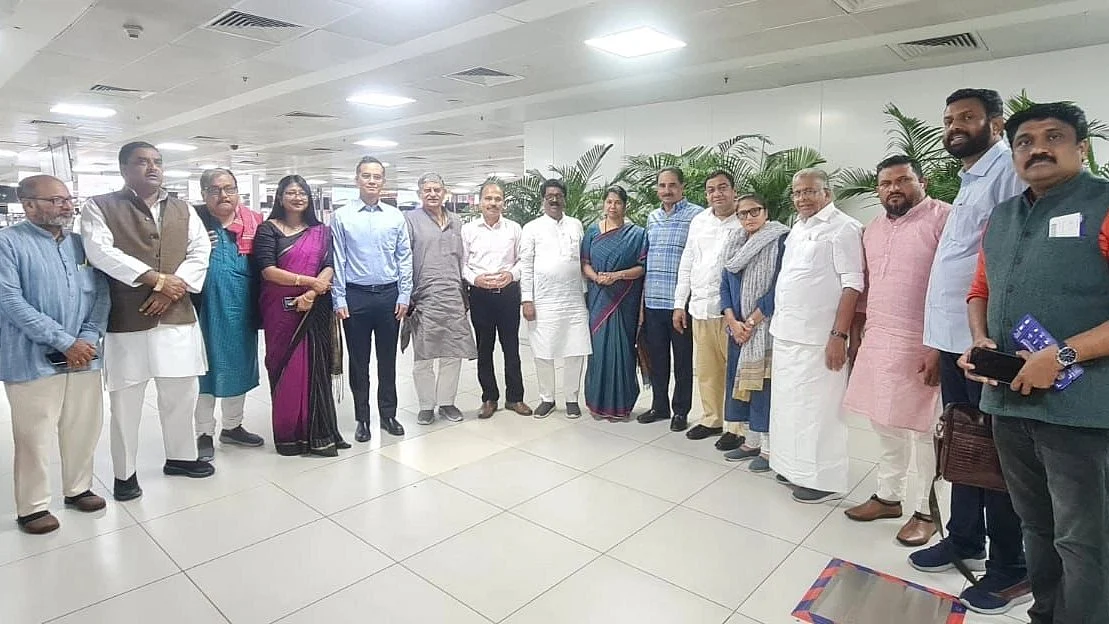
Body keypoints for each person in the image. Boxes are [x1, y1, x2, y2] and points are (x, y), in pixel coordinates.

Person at [963, 102, 1109, 623]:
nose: (1038, 148)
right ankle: (1045, 615)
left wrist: (1063, 354)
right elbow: (980, 289)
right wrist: (979, 339)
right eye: (1025, 141)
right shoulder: (1003, 216)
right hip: (1009, 403)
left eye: (1054, 137)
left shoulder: (1102, 203)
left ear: (1082, 147)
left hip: (1082, 409)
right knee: (1036, 527)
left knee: (1085, 539)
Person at [910, 88, 1029, 615]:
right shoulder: (972, 175)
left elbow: (1007, 255)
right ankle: (964, 539)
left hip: (986, 341)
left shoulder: (1006, 169)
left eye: (968, 117)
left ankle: (1011, 568)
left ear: (995, 124)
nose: (956, 126)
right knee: (964, 444)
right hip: (955, 337)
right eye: (950, 118)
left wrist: (992, 339)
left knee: (999, 457)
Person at [81, 142, 214, 502]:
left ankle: (181, 457)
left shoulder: (184, 209)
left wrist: (171, 289)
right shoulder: (100, 207)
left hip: (177, 317)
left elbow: (201, 251)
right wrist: (155, 279)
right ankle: (125, 474)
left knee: (180, 394)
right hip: (128, 320)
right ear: (124, 168)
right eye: (142, 162)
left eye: (157, 162)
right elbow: (101, 252)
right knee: (126, 400)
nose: (152, 168)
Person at [842, 156, 951, 547]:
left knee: (925, 431)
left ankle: (928, 511)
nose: (894, 189)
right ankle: (889, 497)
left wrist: (940, 348)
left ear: (922, 181)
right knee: (883, 423)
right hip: (879, 338)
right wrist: (857, 336)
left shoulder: (945, 219)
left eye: (903, 180)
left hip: (924, 342)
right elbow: (867, 288)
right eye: (886, 182)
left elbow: (955, 286)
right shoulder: (871, 230)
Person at [0, 175, 109, 534]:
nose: (66, 206)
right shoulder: (8, 243)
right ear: (28, 204)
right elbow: (11, 301)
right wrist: (63, 341)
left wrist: (88, 336)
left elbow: (101, 294)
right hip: (30, 356)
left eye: (68, 199)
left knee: (83, 426)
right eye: (55, 200)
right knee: (34, 434)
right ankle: (32, 507)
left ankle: (78, 488)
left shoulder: (81, 245)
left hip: (84, 355)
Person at [769, 168, 863, 504]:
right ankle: (791, 467)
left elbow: (853, 284)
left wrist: (838, 335)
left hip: (820, 337)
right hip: (786, 332)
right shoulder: (798, 228)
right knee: (788, 406)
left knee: (819, 411)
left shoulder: (844, 228)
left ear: (828, 193)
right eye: (796, 193)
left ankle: (822, 478)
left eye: (809, 191)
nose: (802, 199)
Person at [256, 175, 347, 457]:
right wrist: (307, 283)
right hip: (280, 312)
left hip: (314, 307)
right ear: (280, 198)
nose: (297, 198)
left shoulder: (320, 230)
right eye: (291, 193)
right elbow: (267, 270)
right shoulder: (267, 229)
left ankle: (320, 432)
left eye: (303, 193)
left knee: (315, 368)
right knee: (285, 368)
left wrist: (313, 292)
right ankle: (289, 437)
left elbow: (330, 264)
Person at [332, 156, 411, 442]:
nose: (372, 181)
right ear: (357, 180)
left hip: (389, 296)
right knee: (359, 362)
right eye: (366, 176)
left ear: (384, 181)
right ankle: (362, 418)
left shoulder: (395, 216)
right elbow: (338, 260)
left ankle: (388, 414)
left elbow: (404, 258)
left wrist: (405, 293)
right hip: (355, 297)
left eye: (377, 176)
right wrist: (338, 298)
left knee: (388, 360)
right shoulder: (342, 216)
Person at [192, 168, 264, 461]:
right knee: (204, 373)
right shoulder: (192, 223)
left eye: (230, 189)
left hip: (241, 308)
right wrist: (195, 247)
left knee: (239, 366)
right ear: (203, 194)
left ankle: (232, 427)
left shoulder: (253, 223)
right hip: (203, 311)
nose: (224, 195)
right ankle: (203, 433)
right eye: (215, 189)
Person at [719, 194, 789, 471]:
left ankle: (769, 449)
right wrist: (733, 321)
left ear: (766, 211)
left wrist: (750, 323)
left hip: (763, 329)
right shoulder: (734, 242)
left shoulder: (780, 240)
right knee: (739, 386)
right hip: (736, 329)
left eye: (754, 211)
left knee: (763, 388)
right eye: (742, 213)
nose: (748, 218)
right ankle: (750, 441)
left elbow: (779, 286)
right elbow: (722, 282)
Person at [674, 170, 743, 448]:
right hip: (700, 308)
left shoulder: (745, 220)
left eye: (723, 188)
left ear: (734, 191)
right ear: (706, 194)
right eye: (712, 189)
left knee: (733, 371)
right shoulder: (699, 221)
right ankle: (712, 418)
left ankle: (736, 426)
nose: (718, 194)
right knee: (707, 369)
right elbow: (688, 261)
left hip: (731, 311)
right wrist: (680, 303)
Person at [403, 173, 478, 425]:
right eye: (427, 190)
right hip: (423, 296)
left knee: (452, 352)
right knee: (423, 355)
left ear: (445, 192)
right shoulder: (409, 220)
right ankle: (426, 405)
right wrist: (406, 295)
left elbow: (464, 259)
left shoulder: (457, 221)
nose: (432, 194)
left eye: (437, 189)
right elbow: (403, 260)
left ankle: (447, 402)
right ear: (419, 194)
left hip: (454, 295)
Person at [519, 179, 591, 418]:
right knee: (543, 351)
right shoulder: (531, 228)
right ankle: (547, 398)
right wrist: (526, 299)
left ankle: (572, 398)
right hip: (543, 300)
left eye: (559, 195)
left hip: (573, 299)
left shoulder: (576, 225)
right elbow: (526, 265)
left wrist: (586, 292)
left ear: (564, 199)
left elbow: (581, 260)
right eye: (549, 195)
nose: (554, 199)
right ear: (543, 199)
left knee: (575, 349)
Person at [638, 167, 702, 431]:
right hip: (653, 301)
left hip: (680, 304)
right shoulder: (652, 217)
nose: (667, 190)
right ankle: (659, 406)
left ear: (682, 187)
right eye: (662, 185)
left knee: (683, 360)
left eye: (672, 185)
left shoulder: (696, 216)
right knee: (658, 358)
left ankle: (680, 410)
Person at [461, 181, 532, 418]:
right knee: (485, 349)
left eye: (498, 199)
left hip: (508, 294)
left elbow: (523, 260)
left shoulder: (514, 229)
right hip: (480, 295)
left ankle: (515, 398)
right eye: (488, 198)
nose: (493, 203)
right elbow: (461, 265)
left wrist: (511, 275)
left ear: (504, 202)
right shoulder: (468, 230)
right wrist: (475, 279)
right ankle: (489, 398)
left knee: (511, 347)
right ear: (480, 202)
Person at [581, 185, 646, 419]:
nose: (612, 206)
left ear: (625, 205)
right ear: (603, 204)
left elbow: (641, 268)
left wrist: (617, 275)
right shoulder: (592, 231)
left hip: (624, 300)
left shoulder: (637, 234)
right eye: (609, 202)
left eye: (617, 202)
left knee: (623, 351)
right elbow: (584, 263)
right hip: (599, 299)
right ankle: (597, 403)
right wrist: (596, 277)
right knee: (598, 351)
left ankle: (622, 404)